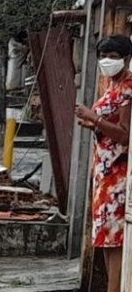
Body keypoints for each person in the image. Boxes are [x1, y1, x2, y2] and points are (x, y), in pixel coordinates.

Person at [75, 34, 132, 292]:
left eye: (113, 56)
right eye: (103, 56)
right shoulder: (111, 85)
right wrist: (92, 124)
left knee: (116, 240)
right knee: (107, 241)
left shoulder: (128, 87)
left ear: (127, 58)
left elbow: (124, 133)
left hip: (118, 178)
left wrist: (94, 119)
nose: (107, 61)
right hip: (104, 174)